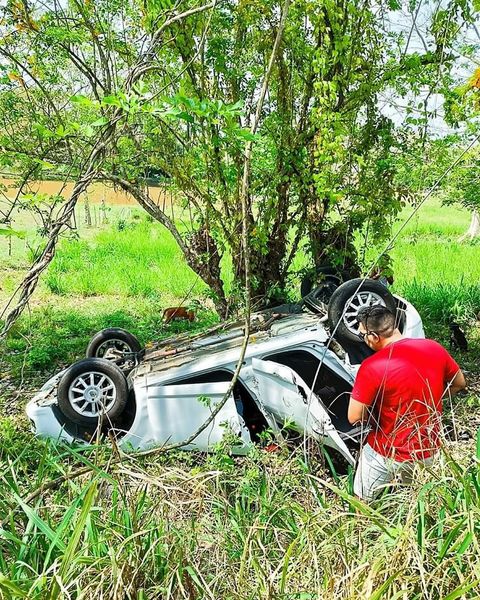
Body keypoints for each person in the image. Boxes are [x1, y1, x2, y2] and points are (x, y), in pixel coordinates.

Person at [348, 305, 466, 502]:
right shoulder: (434, 347)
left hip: (387, 452)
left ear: (374, 337)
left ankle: (362, 528)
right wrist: (432, 398)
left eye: (363, 336)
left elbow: (354, 417)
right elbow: (459, 383)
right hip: (429, 450)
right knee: (419, 500)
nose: (364, 340)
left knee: (362, 501)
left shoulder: (372, 366)